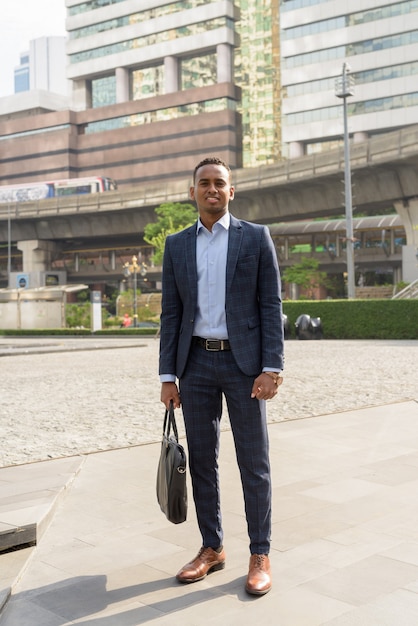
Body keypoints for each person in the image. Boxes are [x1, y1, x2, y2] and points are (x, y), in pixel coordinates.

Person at [159, 157, 284, 596]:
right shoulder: (176, 245)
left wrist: (273, 367)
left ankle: (260, 552)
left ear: (232, 192)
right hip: (195, 365)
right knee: (203, 463)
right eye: (204, 183)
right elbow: (171, 314)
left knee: (254, 462)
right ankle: (212, 547)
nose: (212, 190)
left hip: (244, 365)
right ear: (192, 191)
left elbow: (271, 305)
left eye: (220, 184)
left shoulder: (255, 238)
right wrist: (168, 375)